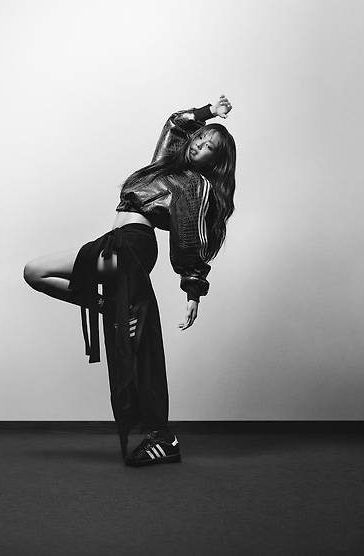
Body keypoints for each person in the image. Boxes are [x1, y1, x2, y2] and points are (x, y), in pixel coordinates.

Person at [23, 95, 236, 466]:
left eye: (209, 147)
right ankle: (108, 307)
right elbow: (175, 124)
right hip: (115, 242)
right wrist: (207, 113)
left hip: (133, 247)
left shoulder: (195, 186)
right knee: (36, 273)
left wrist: (193, 289)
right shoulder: (163, 167)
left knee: (39, 273)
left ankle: (162, 436)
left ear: (215, 162)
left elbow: (190, 238)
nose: (199, 144)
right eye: (201, 137)